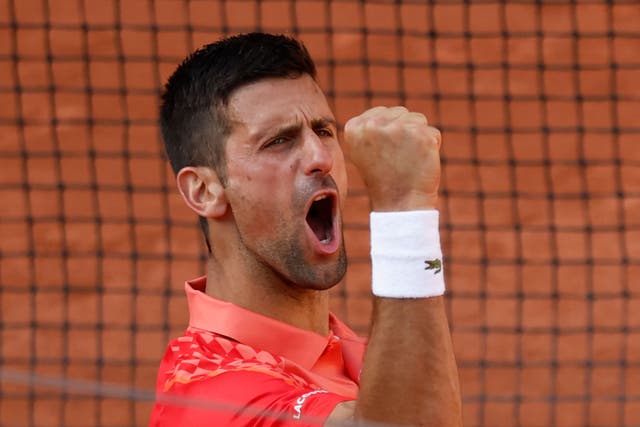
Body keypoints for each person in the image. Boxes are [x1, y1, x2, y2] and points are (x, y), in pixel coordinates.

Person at [148, 32, 462, 427]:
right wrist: (403, 207)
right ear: (205, 191)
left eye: (324, 131)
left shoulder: (344, 348)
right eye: (278, 142)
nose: (320, 157)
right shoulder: (210, 396)